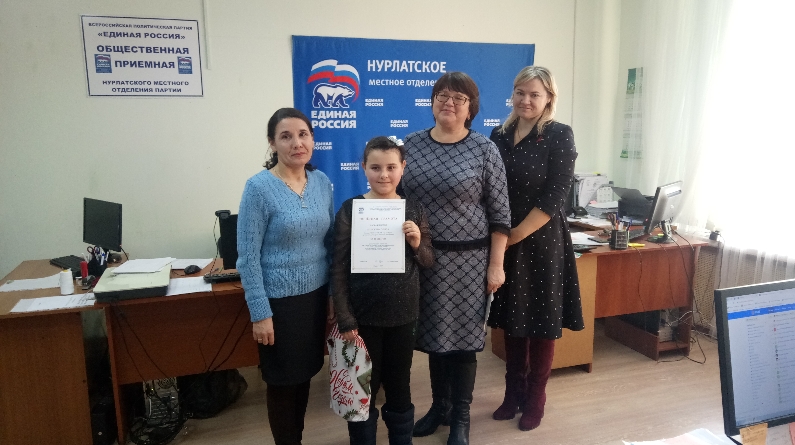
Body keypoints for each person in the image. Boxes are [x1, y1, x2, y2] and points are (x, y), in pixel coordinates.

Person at [400, 72, 511, 445]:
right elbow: (393, 197)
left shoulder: (484, 150)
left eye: (459, 98)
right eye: (442, 95)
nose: (449, 102)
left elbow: (500, 216)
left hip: (470, 263)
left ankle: (461, 418)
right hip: (424, 260)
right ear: (432, 102)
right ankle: (440, 408)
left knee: (462, 343)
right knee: (436, 338)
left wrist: (496, 265)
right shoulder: (411, 145)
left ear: (471, 108)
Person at [487, 66, 585, 431]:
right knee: (513, 321)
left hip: (542, 241)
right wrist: (501, 236)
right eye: (520, 92)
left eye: (535, 94)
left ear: (548, 99)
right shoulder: (498, 134)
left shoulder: (559, 134)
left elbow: (555, 194)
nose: (525, 100)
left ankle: (536, 398)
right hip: (505, 239)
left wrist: (513, 235)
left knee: (541, 323)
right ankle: (513, 393)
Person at [236, 107, 334, 445]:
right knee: (282, 383)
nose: (297, 143)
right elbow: (247, 257)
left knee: (304, 376)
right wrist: (260, 313)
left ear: (312, 139)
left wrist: (332, 294)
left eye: (303, 134)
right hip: (278, 304)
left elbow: (329, 243)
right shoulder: (258, 188)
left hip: (315, 298)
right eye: (286, 136)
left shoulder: (321, 182)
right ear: (272, 143)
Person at [331, 136, 435, 445]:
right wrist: (345, 318)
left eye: (391, 167)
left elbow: (428, 260)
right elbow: (338, 267)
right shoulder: (351, 209)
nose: (384, 175)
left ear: (403, 167)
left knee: (400, 387)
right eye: (375, 168)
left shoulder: (412, 208)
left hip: (403, 316)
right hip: (363, 319)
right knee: (363, 389)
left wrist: (417, 243)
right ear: (364, 167)